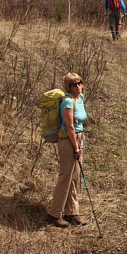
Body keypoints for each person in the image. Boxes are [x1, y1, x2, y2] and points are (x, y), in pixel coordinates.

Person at [48, 72, 88, 228]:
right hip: (68, 141)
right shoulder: (67, 102)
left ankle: (71, 213)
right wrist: (76, 148)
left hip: (79, 138)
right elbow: (69, 126)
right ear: (68, 86)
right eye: (73, 84)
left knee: (75, 177)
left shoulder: (80, 99)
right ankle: (54, 214)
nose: (77, 86)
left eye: (79, 83)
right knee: (65, 177)